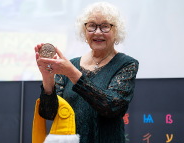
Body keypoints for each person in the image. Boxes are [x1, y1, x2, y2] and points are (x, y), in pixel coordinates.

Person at [34, 2, 139, 143]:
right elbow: (50, 113)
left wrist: (73, 73)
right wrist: (48, 78)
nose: (97, 32)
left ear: (116, 31)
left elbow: (110, 106)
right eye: (91, 25)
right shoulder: (70, 64)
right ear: (84, 31)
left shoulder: (126, 64)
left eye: (105, 26)